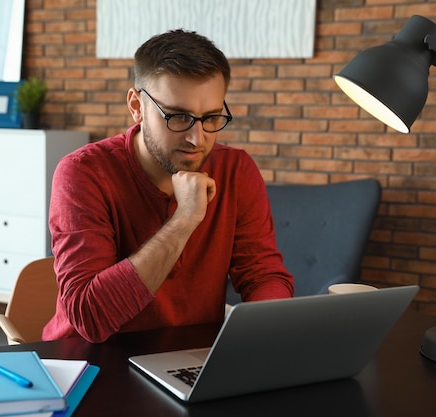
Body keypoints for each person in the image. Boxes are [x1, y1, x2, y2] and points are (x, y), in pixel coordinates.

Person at [43, 29, 294, 343]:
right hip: (90, 365)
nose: (197, 138)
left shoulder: (236, 170)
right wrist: (184, 220)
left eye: (212, 117)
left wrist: (263, 337)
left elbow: (264, 275)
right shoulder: (83, 173)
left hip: (191, 360)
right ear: (137, 105)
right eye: (177, 117)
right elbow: (90, 317)